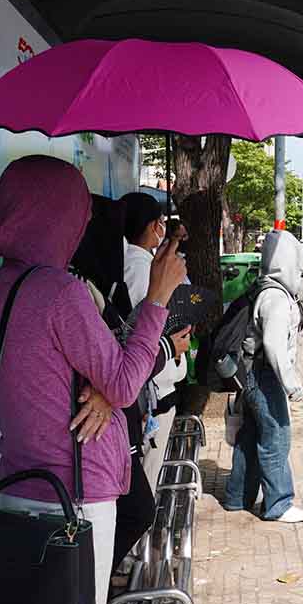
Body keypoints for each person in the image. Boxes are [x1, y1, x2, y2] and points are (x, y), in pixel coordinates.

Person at [0, 156, 186, 604]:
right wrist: (157, 298)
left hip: (21, 486)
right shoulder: (59, 292)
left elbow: (44, 384)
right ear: (53, 215)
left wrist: (103, 393)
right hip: (73, 496)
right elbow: (125, 381)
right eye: (76, 212)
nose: (83, 225)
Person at [69, 194, 190, 573]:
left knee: (136, 511)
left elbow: (116, 365)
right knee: (135, 513)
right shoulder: (73, 291)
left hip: (108, 444)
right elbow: (121, 377)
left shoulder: (94, 285)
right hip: (90, 459)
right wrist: (160, 303)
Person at [223, 230, 303, 523]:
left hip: (251, 373)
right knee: (276, 437)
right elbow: (273, 344)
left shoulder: (265, 289)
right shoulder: (276, 298)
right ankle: (278, 505)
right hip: (264, 376)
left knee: (250, 436)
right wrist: (292, 384)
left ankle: (237, 497)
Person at [121, 192, 189, 492]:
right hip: (152, 385)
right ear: (153, 226)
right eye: (161, 222)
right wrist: (171, 344)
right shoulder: (138, 268)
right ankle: (142, 537)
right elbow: (144, 326)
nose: (163, 228)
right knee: (146, 480)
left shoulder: (147, 263)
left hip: (157, 379)